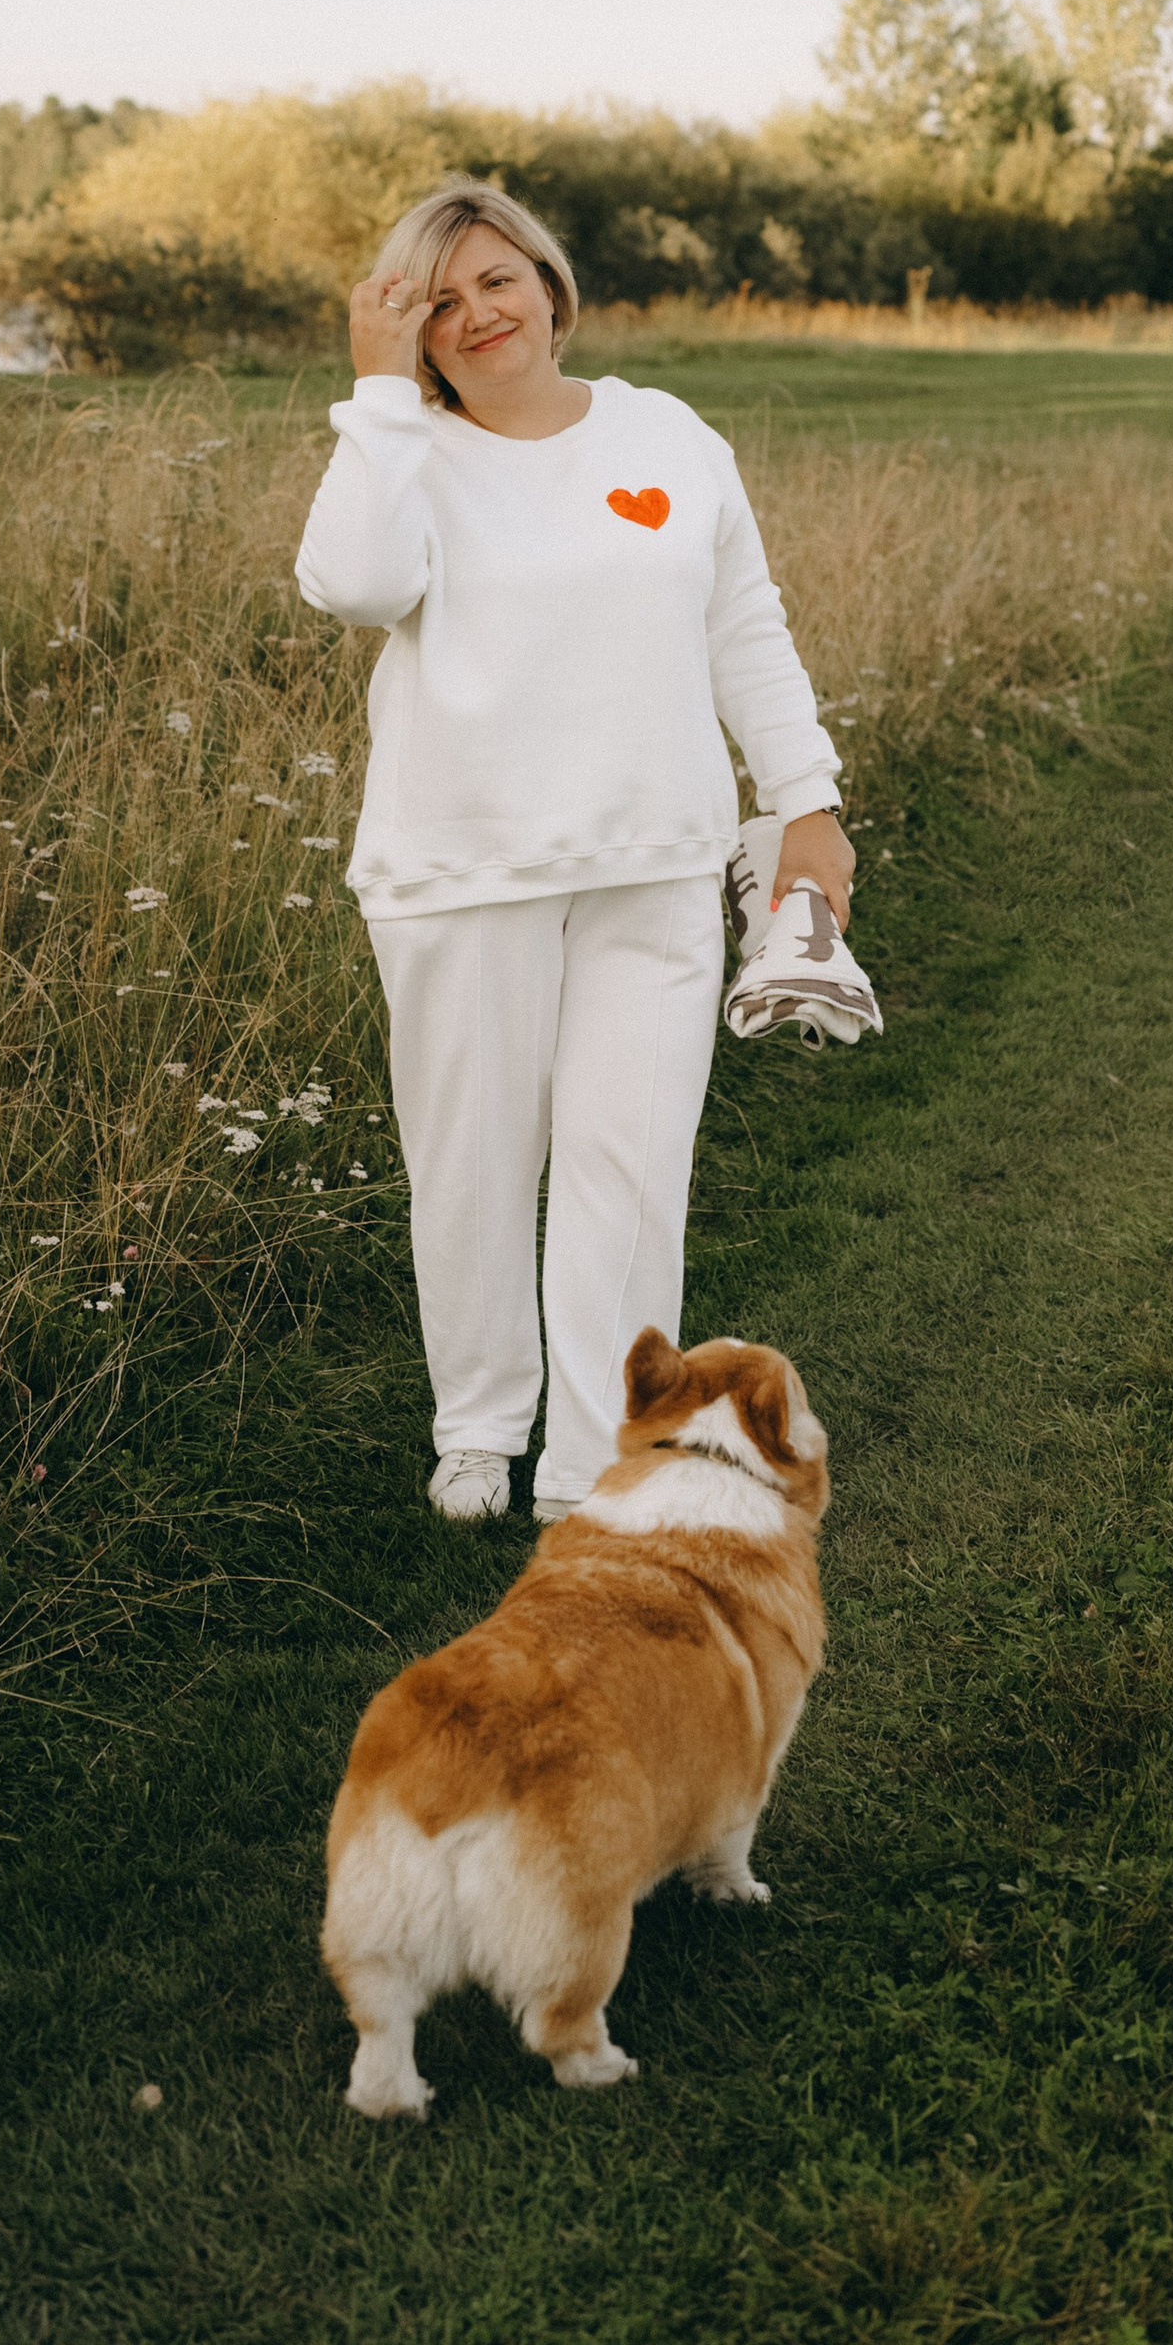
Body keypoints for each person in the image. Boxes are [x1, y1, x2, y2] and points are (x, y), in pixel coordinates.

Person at [293, 178, 854, 1523]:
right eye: (439, 303)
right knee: (474, 1166)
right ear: (414, 335)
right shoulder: (404, 449)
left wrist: (808, 799)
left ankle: (591, 1458)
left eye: (498, 280)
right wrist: (377, 397)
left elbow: (744, 626)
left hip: (654, 861)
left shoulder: (669, 435)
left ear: (548, 285)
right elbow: (355, 586)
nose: (478, 314)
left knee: (631, 1168)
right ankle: (480, 1429)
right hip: (461, 869)